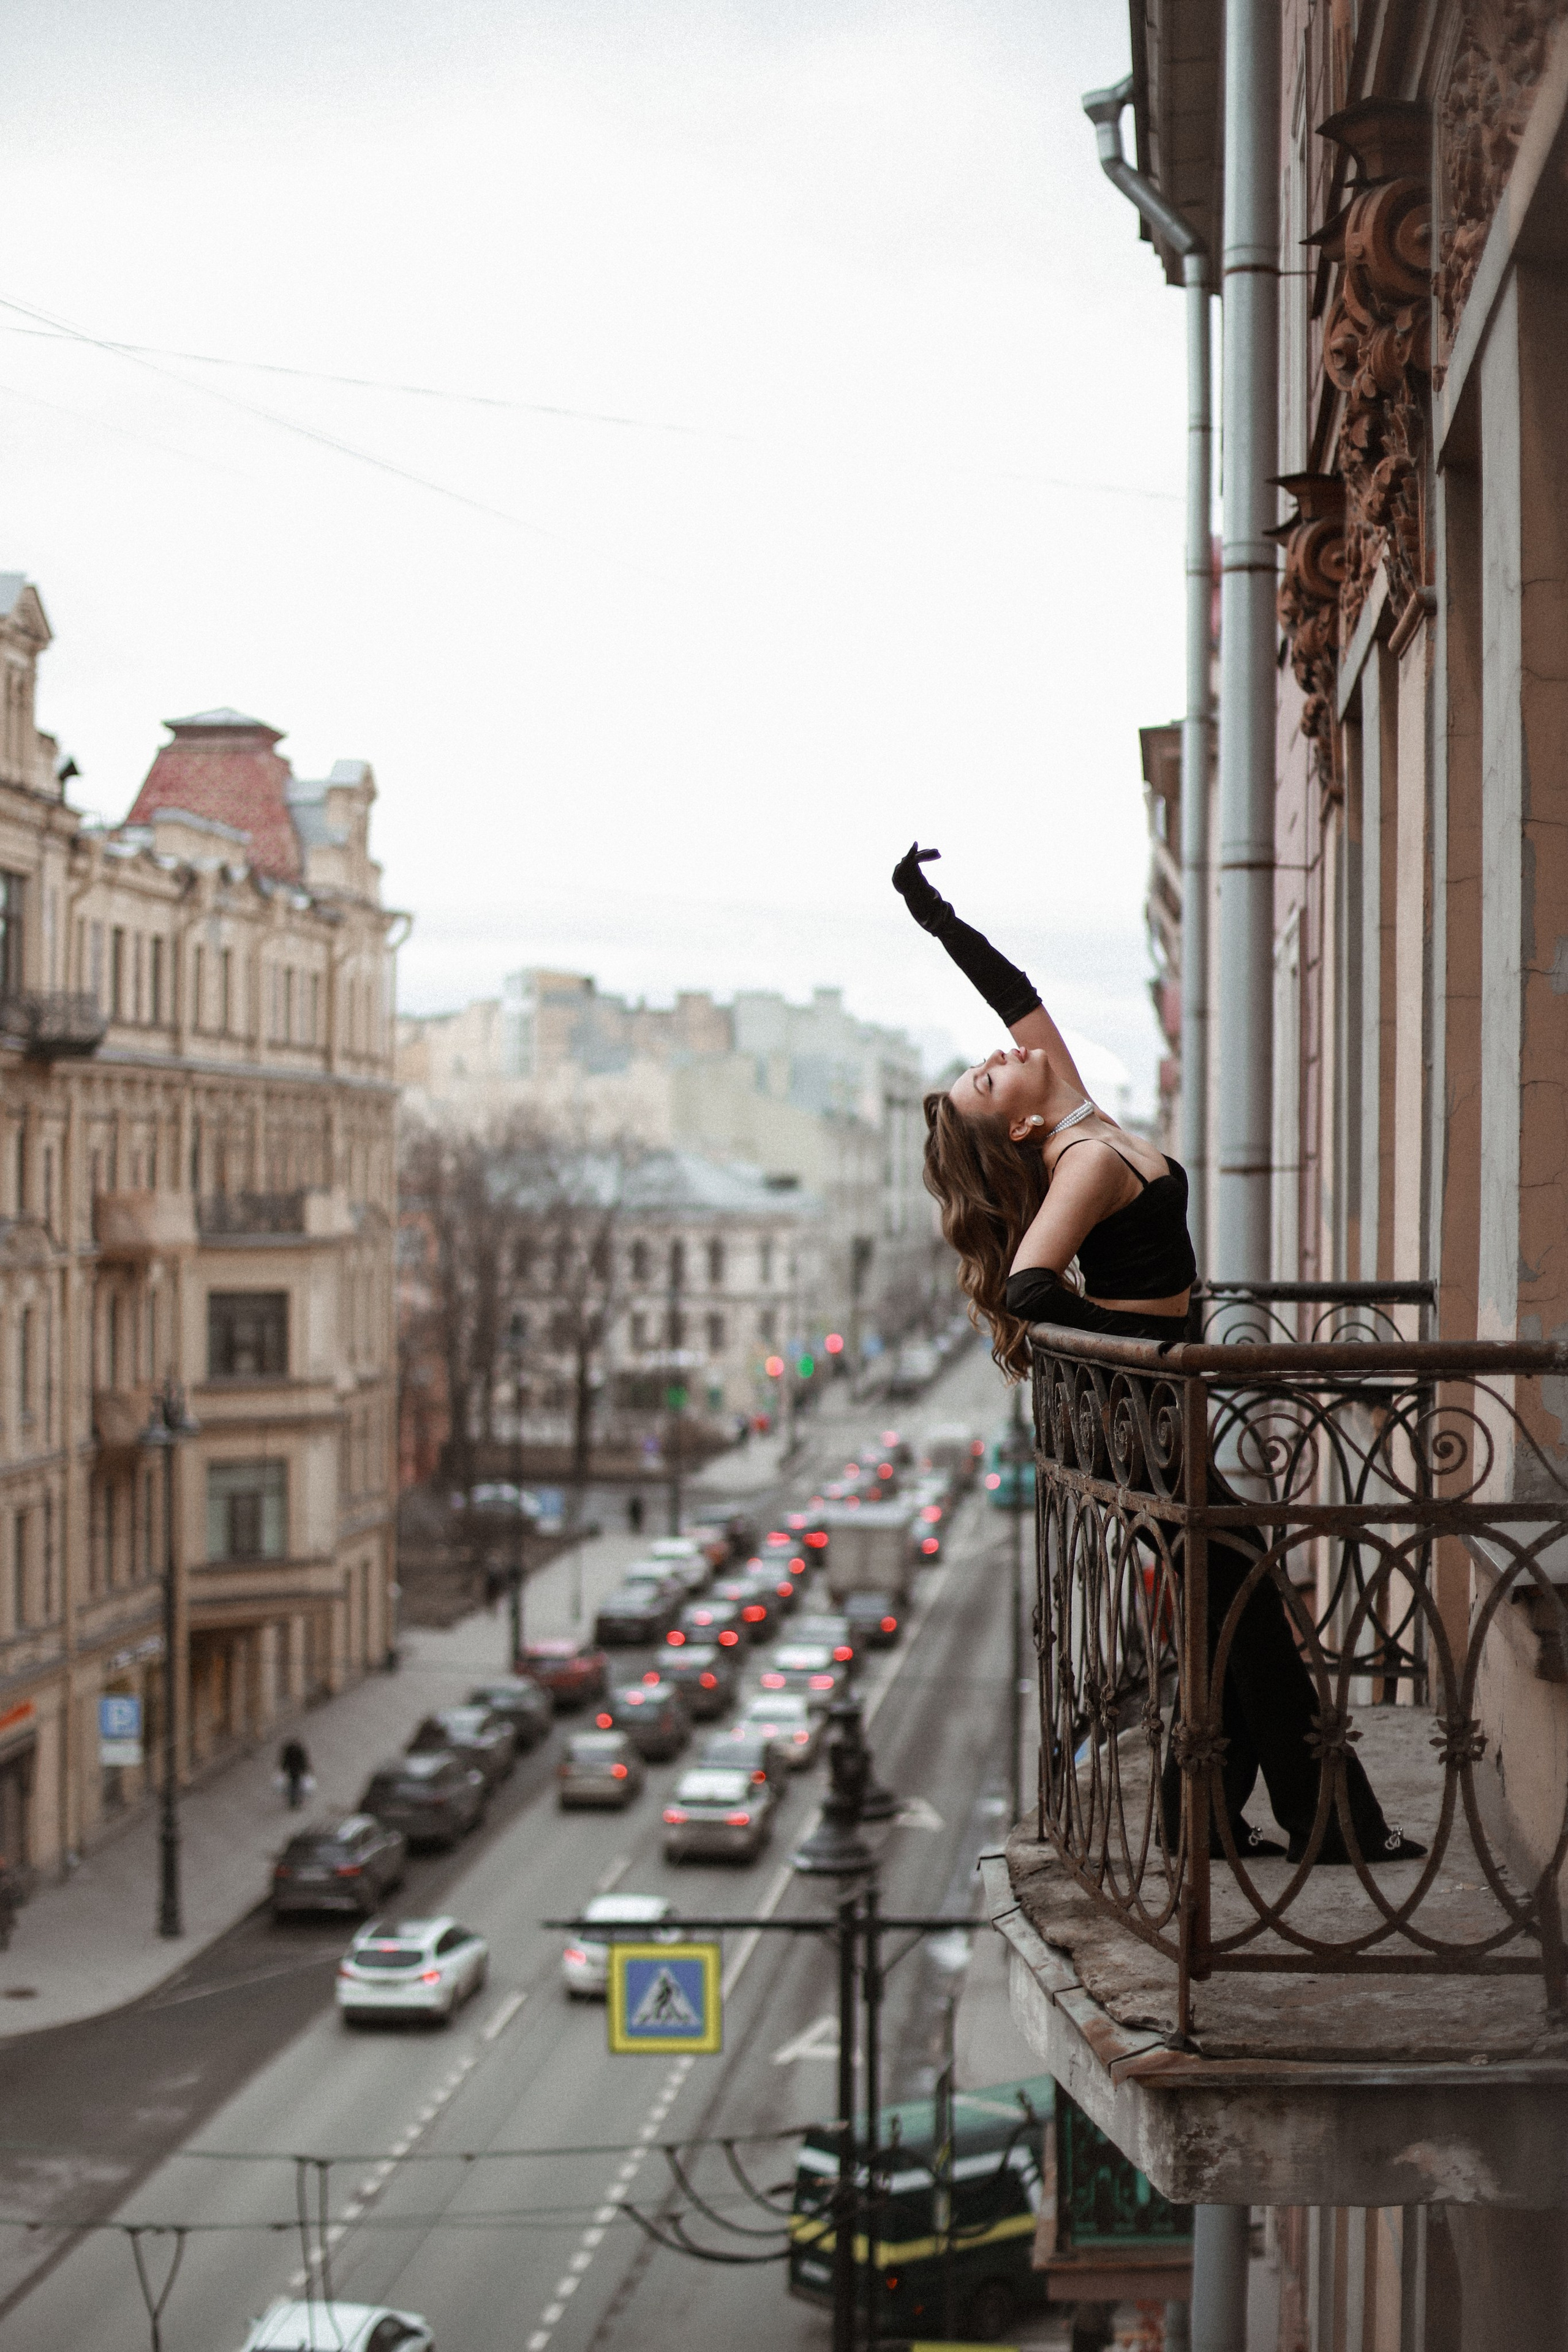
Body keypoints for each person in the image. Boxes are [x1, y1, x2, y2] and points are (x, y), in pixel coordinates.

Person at [895, 842, 1422, 1867]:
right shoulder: (1082, 1162)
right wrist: (1134, 1344)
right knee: (1248, 1614)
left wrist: (933, 912)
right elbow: (1029, 1290)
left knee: (1234, 1615)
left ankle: (1213, 1823)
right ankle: (1324, 1826)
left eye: (992, 1057)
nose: (1002, 1054)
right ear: (1017, 1125)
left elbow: (1015, 994)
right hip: (1135, 1416)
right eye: (986, 1074)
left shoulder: (1081, 1109)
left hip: (1156, 1403)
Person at [278, 1736, 311, 1811]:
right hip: (298, 1770)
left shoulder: (288, 1750)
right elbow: (304, 1760)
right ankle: (298, 1800)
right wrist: (306, 1769)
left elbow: (285, 1761)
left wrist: (283, 1769)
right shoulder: (299, 1750)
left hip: (291, 1771)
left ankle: (293, 1801)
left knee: (293, 1785)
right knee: (298, 1785)